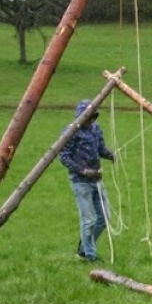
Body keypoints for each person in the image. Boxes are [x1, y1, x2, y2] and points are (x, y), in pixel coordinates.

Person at [59, 99, 115, 262]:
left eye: (93, 117)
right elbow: (64, 156)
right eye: (88, 117)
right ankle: (90, 255)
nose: (91, 121)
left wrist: (111, 155)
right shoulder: (70, 131)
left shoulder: (96, 129)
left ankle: (84, 248)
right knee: (89, 219)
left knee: (104, 218)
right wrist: (82, 170)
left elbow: (100, 149)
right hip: (80, 182)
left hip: (97, 180)